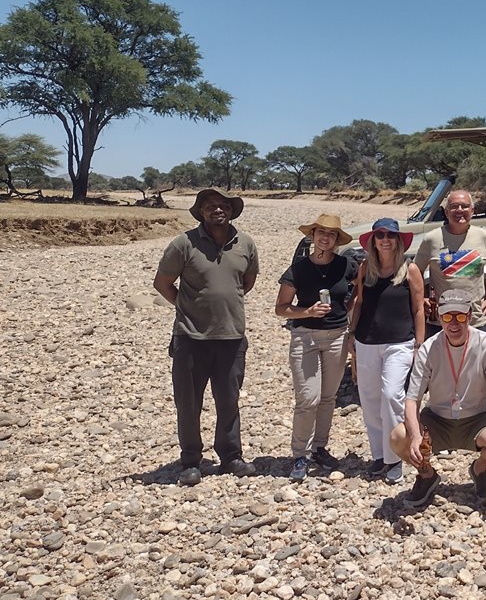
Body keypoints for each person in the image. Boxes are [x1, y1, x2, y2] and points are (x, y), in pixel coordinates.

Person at [153, 189, 259, 486]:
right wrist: (187, 306)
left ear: (232, 211)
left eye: (224, 206)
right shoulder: (184, 244)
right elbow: (162, 283)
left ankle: (230, 456)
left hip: (232, 337)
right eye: (211, 206)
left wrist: (223, 304)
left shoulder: (246, 243)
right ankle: (190, 461)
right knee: (188, 402)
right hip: (190, 337)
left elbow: (246, 282)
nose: (218, 210)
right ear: (201, 212)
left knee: (229, 400)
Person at [390, 290, 486, 507]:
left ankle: (478, 470)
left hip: (476, 420)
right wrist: (417, 435)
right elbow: (412, 400)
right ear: (439, 317)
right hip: (437, 420)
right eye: (447, 317)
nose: (453, 324)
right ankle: (427, 475)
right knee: (399, 436)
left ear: (470, 316)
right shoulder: (429, 348)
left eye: (460, 316)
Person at [274, 214, 358, 482]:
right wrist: (307, 311)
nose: (325, 238)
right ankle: (300, 453)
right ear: (312, 235)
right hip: (305, 337)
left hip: (336, 336)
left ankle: (319, 448)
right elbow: (281, 308)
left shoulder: (346, 265)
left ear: (336, 240)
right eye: (321, 232)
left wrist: (348, 313)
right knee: (307, 398)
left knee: (328, 397)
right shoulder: (298, 269)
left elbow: (357, 292)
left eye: (331, 234)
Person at [348, 218, 425, 484]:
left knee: (392, 395)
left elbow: (418, 308)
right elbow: (359, 302)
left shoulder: (410, 269)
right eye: (380, 234)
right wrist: (351, 333)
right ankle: (379, 456)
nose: (385, 239)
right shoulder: (365, 268)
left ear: (397, 240)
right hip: (366, 340)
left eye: (390, 235)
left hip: (399, 343)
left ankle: (396, 456)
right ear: (373, 240)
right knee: (369, 400)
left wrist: (419, 344)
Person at [413, 190, 486, 336]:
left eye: (464, 206)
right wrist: (420, 299)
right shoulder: (432, 239)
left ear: (472, 210)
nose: (460, 210)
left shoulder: (482, 236)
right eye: (454, 206)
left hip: (475, 320)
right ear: (446, 211)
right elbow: (415, 271)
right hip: (441, 322)